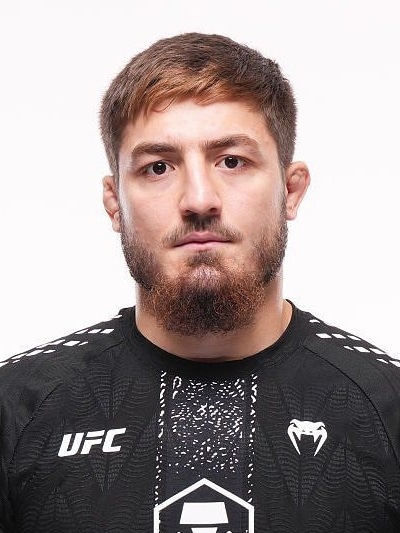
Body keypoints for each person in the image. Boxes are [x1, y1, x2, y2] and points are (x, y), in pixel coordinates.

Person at [0, 32, 399, 533]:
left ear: (291, 190)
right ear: (115, 203)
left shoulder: (387, 406)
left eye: (232, 161)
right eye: (158, 167)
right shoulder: (16, 408)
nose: (199, 199)